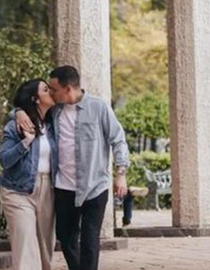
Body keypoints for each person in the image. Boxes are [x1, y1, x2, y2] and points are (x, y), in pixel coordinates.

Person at [15, 66, 129, 270]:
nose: (50, 92)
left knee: (90, 240)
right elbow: (32, 108)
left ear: (67, 89)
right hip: (64, 187)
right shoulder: (55, 110)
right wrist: (18, 112)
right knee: (66, 238)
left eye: (53, 88)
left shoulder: (98, 107)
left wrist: (120, 174)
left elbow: (118, 140)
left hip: (95, 186)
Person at [0, 79, 58, 270]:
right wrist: (25, 142)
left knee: (45, 249)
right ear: (35, 98)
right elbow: (4, 160)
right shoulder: (15, 126)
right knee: (25, 246)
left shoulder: (53, 123)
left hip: (48, 189)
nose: (51, 92)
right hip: (18, 191)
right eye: (45, 90)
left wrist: (17, 110)